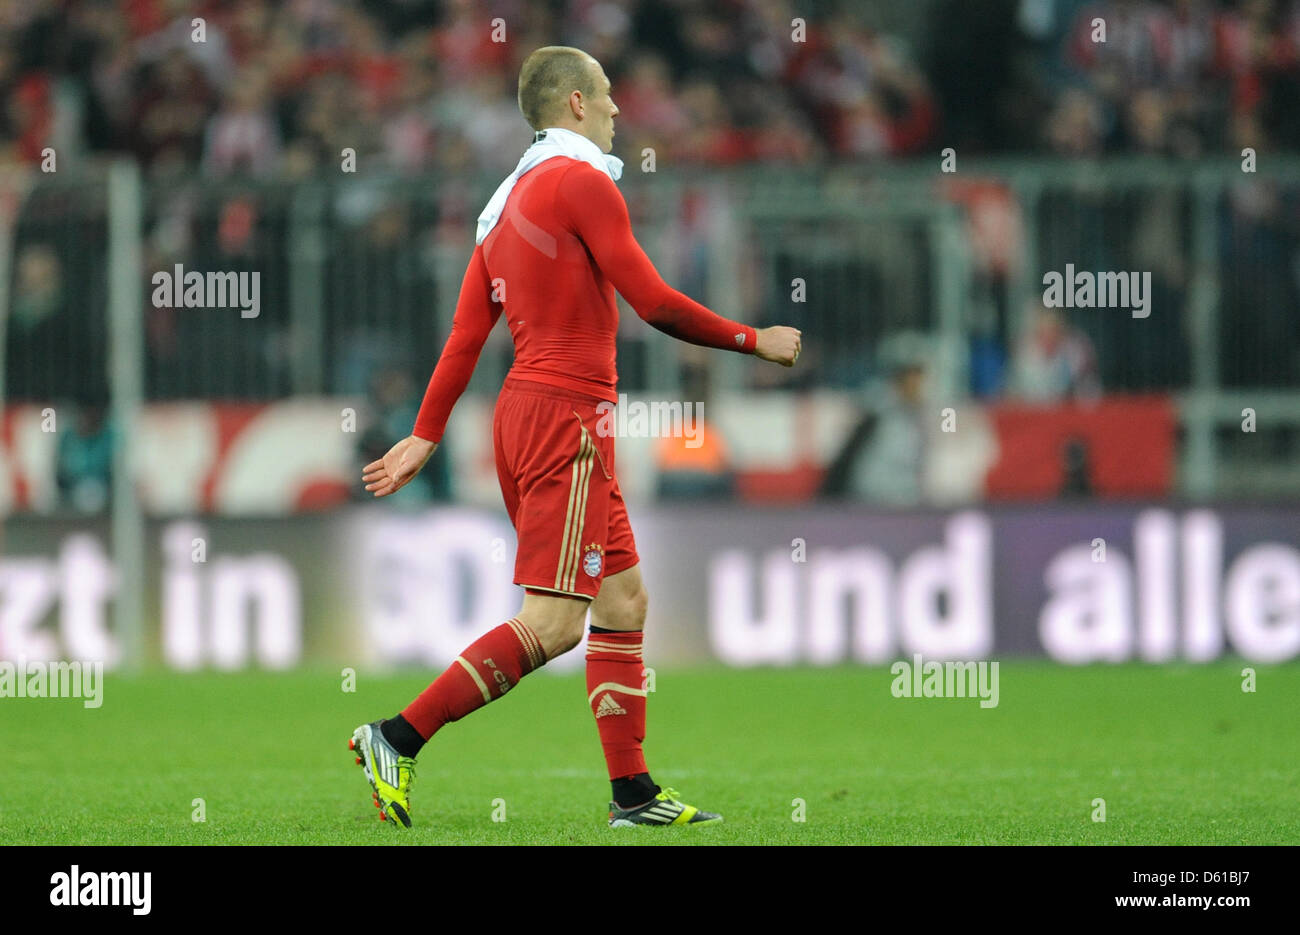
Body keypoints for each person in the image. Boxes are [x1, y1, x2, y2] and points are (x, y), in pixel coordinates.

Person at [351, 46, 801, 829]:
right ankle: (396, 735)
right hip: (567, 418)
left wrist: (426, 434)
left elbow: (464, 337)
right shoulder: (583, 183)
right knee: (557, 621)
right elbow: (652, 301)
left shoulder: (503, 205)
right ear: (577, 105)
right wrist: (750, 337)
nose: (621, 109)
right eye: (609, 94)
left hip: (530, 412)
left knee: (624, 600)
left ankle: (633, 794)